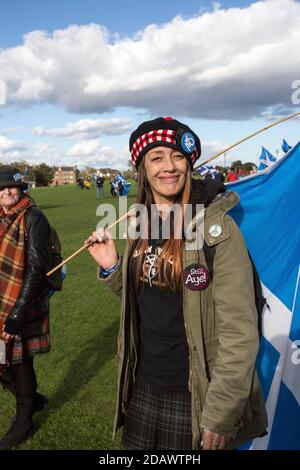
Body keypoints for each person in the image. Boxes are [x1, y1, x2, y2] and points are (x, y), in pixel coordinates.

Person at [86, 117, 267, 450]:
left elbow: (239, 331)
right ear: (140, 167)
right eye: (156, 158)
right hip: (142, 384)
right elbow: (146, 301)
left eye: (177, 157)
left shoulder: (218, 231)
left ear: (190, 162)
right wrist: (113, 268)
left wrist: (222, 412)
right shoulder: (141, 223)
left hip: (193, 392)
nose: (168, 167)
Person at [0, 167, 50, 450]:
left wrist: (16, 314)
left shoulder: (33, 218)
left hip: (23, 302)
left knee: (19, 362)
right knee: (1, 361)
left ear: (22, 189)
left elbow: (35, 268)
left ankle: (24, 422)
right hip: (1, 300)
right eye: (2, 188)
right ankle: (34, 400)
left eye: (12, 187)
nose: (7, 192)